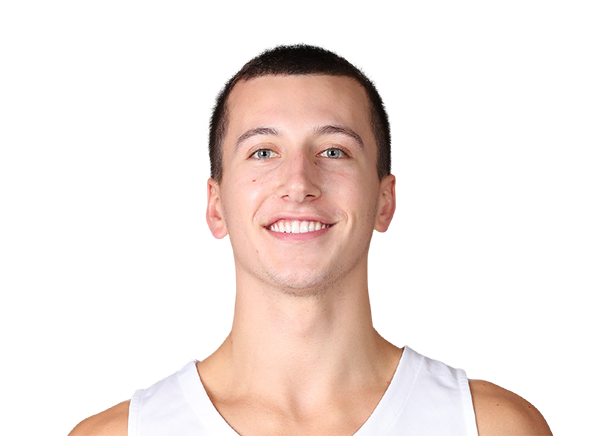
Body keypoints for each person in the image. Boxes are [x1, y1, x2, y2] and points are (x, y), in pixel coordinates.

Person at [70, 42, 552, 436]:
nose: (299, 183)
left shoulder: (491, 428)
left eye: (334, 151)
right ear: (216, 207)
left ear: (384, 202)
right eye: (263, 152)